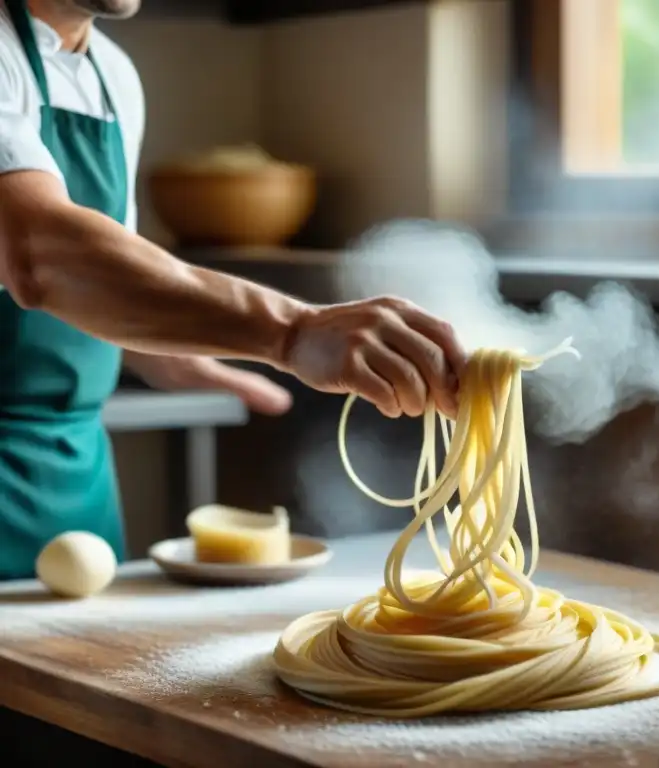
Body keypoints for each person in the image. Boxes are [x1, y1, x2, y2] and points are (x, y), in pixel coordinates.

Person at [0, 0, 466, 580]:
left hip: (75, 481)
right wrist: (292, 331)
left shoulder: (114, 76)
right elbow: (40, 254)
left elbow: (97, 275)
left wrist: (165, 352)